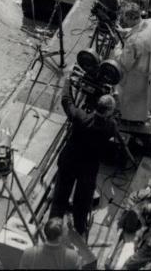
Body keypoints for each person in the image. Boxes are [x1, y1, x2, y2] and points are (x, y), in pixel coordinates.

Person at [49, 74, 119, 238]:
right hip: (87, 170)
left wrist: (67, 82)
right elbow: (113, 121)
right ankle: (80, 232)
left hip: (69, 162)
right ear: (109, 112)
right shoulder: (110, 127)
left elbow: (67, 101)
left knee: (60, 198)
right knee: (82, 203)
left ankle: (52, 230)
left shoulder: (80, 117)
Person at [114, 1, 151, 124]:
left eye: (125, 18)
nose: (124, 21)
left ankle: (131, 120)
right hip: (149, 69)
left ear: (129, 17)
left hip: (136, 77)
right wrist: (127, 31)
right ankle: (146, 113)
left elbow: (125, 63)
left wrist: (117, 45)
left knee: (132, 102)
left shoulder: (132, 41)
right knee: (146, 97)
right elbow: (140, 31)